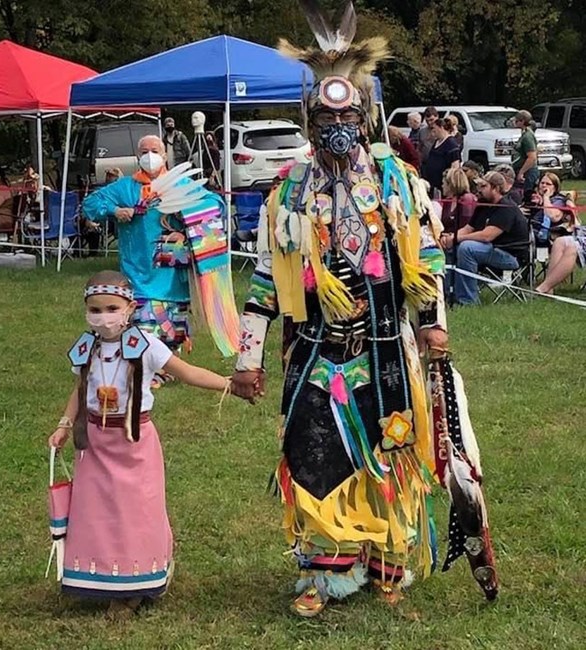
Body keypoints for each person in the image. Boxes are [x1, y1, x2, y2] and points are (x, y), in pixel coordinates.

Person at [233, 0, 498, 617]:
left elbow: (425, 257)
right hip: (315, 351)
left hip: (384, 349)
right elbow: (268, 280)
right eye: (325, 118)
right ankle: (325, 572)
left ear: (365, 113)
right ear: (308, 122)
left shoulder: (396, 182)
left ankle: (386, 566)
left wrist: (433, 325)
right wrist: (248, 356)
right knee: (315, 451)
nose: (337, 127)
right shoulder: (288, 194)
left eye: (347, 114)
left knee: (391, 450)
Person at [49, 270, 240, 620]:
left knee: (136, 511)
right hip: (95, 442)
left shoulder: (146, 345)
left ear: (130, 307)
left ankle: (138, 581)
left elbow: (187, 372)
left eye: (111, 307)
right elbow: (79, 389)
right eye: (95, 309)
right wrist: (64, 425)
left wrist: (228, 384)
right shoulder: (86, 347)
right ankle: (101, 575)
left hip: (134, 443)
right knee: (95, 511)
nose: (103, 316)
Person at [81, 135, 236, 374]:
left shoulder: (179, 185)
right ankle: (146, 369)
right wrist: (115, 210)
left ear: (165, 155)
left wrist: (188, 227)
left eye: (154, 150)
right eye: (144, 151)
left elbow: (216, 204)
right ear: (138, 156)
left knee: (172, 322)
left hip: (172, 271)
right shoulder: (125, 188)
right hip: (139, 270)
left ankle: (166, 367)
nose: (149, 156)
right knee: (143, 320)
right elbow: (90, 204)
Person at [440, 171, 529, 305]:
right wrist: (451, 238)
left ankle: (468, 300)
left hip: (510, 255)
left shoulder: (506, 207)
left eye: (483, 186)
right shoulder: (482, 204)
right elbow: (468, 228)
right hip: (489, 249)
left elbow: (487, 236)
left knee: (466, 248)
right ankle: (449, 295)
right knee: (449, 246)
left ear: (496, 188)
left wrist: (457, 239)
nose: (479, 190)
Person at [534, 174, 583, 294]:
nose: (544, 185)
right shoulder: (534, 199)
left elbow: (553, 216)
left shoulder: (558, 200)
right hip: (533, 232)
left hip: (547, 236)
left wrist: (546, 197)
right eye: (542, 183)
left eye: (548, 184)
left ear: (555, 188)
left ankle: (546, 287)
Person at [423, 118, 461, 196]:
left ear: (441, 128)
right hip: (432, 184)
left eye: (435, 128)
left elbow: (455, 166)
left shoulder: (451, 144)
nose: (433, 131)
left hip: (442, 185)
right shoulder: (436, 142)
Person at [511, 110, 539, 201]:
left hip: (529, 172)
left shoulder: (528, 136)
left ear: (522, 121)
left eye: (516, 121)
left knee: (526, 197)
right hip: (524, 170)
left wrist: (521, 172)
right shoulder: (524, 133)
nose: (514, 122)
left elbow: (532, 157)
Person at [441, 167, 477, 232]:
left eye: (443, 183)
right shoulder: (447, 201)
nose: (442, 186)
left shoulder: (467, 199)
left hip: (462, 239)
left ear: (451, 184)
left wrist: (452, 237)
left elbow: (466, 226)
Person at [418, 105, 439, 172]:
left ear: (437, 116)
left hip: (438, 164)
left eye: (431, 120)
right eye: (427, 121)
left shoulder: (443, 130)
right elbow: (419, 148)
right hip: (425, 165)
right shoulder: (422, 131)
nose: (430, 123)